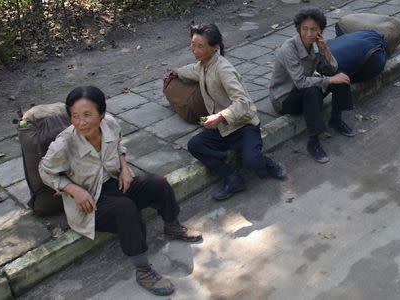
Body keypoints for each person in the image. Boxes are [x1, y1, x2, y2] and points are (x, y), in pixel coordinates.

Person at [39, 86, 202, 296]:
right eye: (75, 116)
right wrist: (74, 190)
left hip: (115, 182)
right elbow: (45, 172)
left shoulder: (110, 124)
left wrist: (124, 168)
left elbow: (118, 146)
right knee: (126, 208)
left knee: (158, 183)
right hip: (91, 199)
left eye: (87, 115)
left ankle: (172, 226)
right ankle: (143, 270)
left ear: (102, 114)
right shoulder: (64, 143)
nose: (81, 122)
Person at [174, 24, 286, 201]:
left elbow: (243, 103)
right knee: (195, 145)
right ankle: (232, 177)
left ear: (215, 47)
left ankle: (266, 162)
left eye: (200, 46)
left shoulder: (223, 69)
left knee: (251, 161)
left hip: (243, 125)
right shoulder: (203, 64)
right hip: (223, 129)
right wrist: (176, 72)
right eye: (192, 45)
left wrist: (219, 116)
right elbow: (192, 71)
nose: (194, 50)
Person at [270, 7, 355, 163]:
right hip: (285, 99)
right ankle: (313, 141)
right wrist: (329, 80)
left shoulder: (317, 44)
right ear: (298, 29)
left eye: (313, 29)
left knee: (341, 76)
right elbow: (301, 81)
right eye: (305, 29)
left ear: (320, 31)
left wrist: (326, 51)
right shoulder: (288, 49)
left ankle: (336, 119)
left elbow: (332, 69)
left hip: (304, 91)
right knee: (314, 90)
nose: (309, 34)